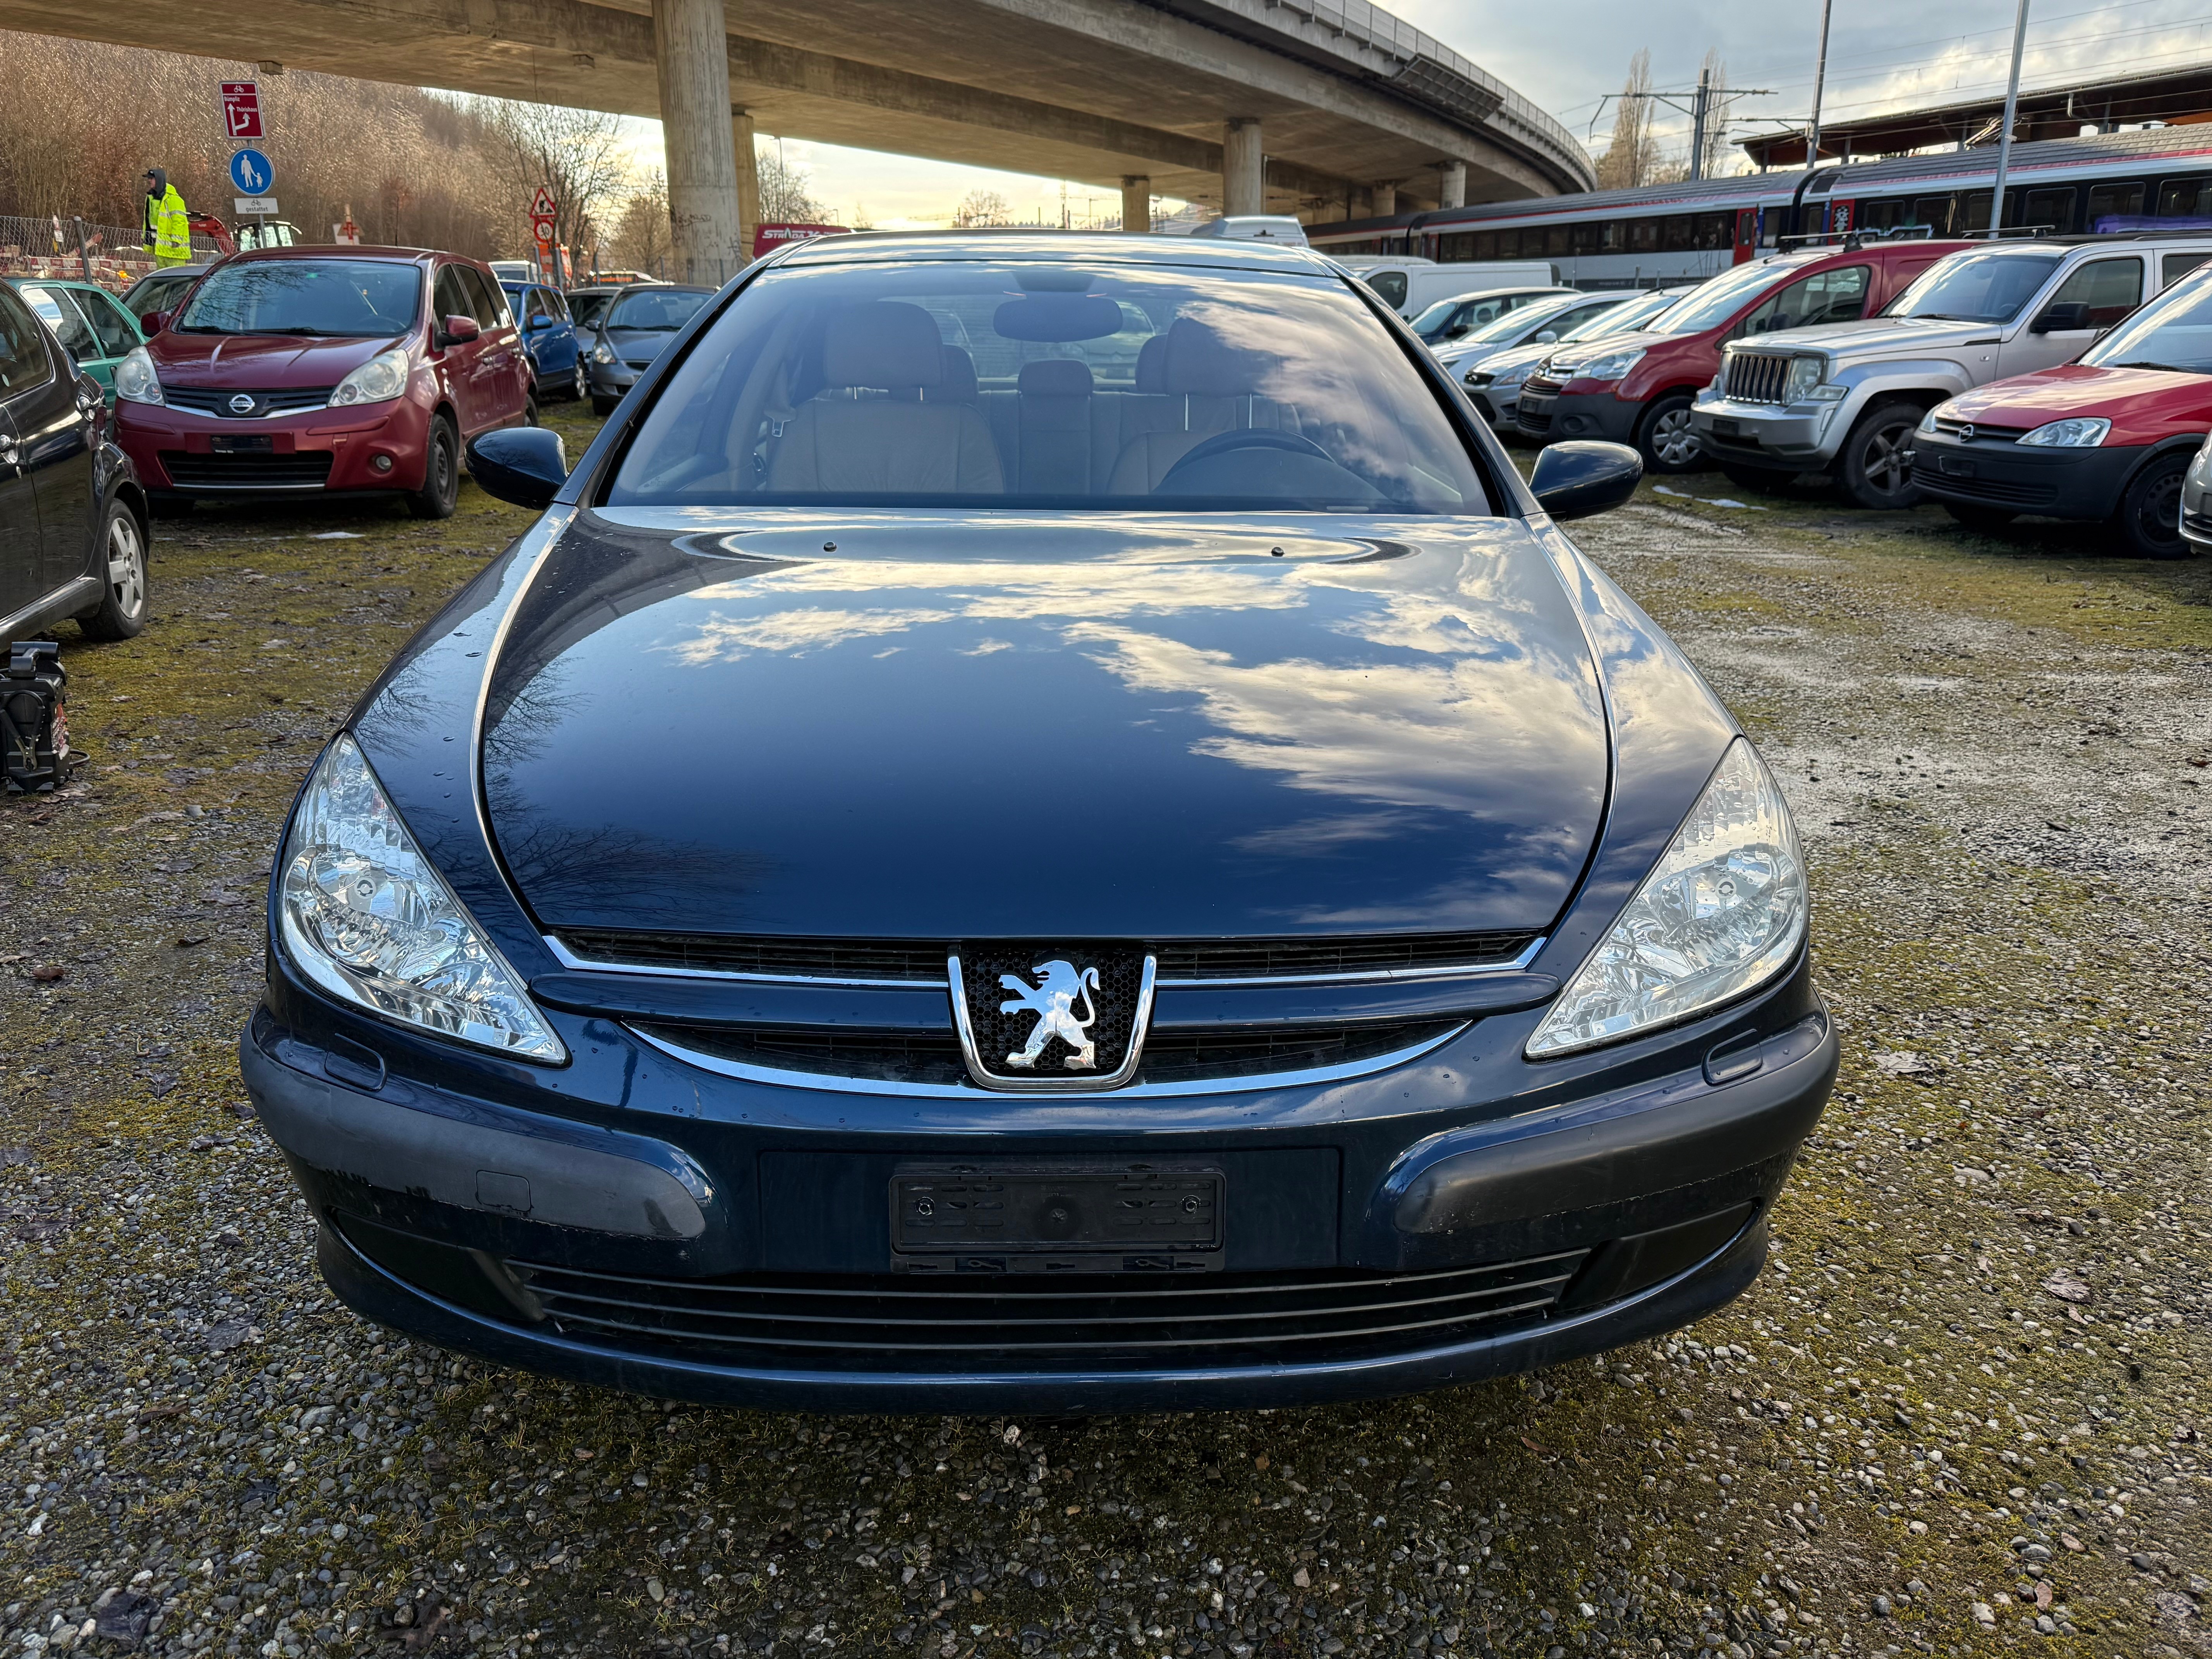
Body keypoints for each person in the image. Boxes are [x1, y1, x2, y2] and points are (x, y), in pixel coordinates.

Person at [143, 168, 191, 267]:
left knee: (176, 280)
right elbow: (148, 222)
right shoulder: (151, 198)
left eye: (152, 179)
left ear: (159, 180)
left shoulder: (174, 199)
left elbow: (180, 222)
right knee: (163, 280)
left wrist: (176, 241)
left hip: (175, 252)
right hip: (160, 250)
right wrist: (148, 242)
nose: (149, 181)